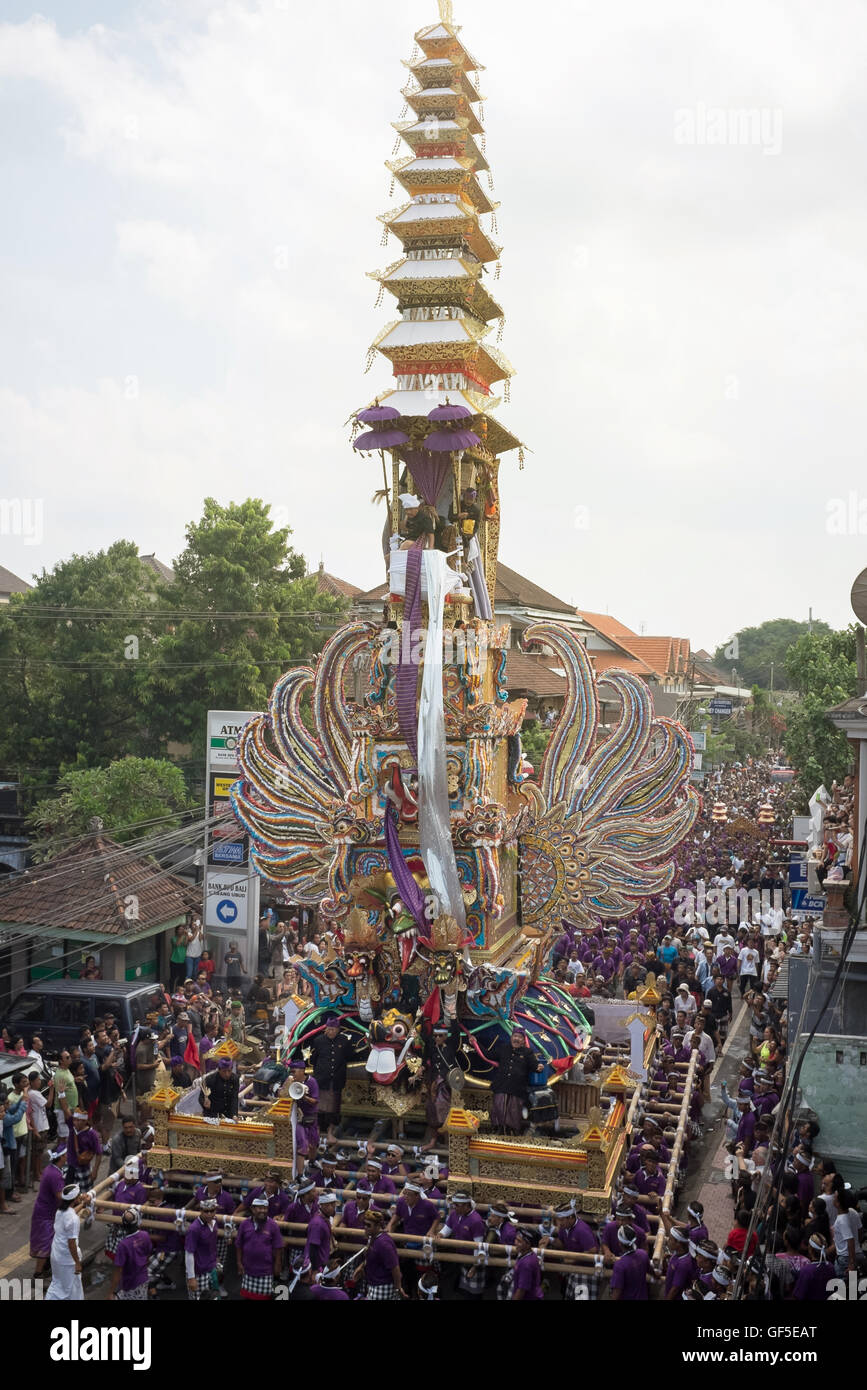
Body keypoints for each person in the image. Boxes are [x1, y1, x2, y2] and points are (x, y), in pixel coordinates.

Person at [309, 1014, 353, 1142]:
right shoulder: (319, 1041)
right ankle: (316, 1131)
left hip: (336, 1080)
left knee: (334, 1109)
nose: (330, 1031)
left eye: (333, 1029)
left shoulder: (344, 1041)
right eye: (328, 1029)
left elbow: (350, 1056)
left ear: (338, 1030)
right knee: (319, 1108)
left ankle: (330, 1133)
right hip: (321, 1079)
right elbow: (314, 1059)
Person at [490, 1028, 539, 1134]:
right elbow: (489, 1055)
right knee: (498, 1106)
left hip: (517, 1088)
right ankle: (498, 1130)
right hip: (501, 1085)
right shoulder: (503, 1048)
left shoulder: (527, 1052)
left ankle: (511, 1132)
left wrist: (539, 1068)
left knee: (514, 1111)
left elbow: (534, 1066)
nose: (516, 1039)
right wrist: (475, 1044)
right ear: (511, 1037)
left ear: (523, 1040)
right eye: (515, 1036)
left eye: (519, 1037)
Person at [236, 1195, 284, 1300]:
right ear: (253, 1209)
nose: (263, 1211)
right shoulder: (244, 1224)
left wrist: (277, 1264)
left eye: (265, 1208)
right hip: (248, 1270)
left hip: (265, 1271)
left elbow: (278, 1247)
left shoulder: (273, 1225)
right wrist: (239, 1263)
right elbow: (239, 1245)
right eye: (260, 1208)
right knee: (247, 1297)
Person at [30, 1144, 66, 1276]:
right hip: (46, 1213)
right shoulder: (55, 1175)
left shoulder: (51, 1169)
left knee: (49, 1241)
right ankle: (38, 1274)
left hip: (44, 1210)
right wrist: (74, 1201)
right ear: (62, 1156)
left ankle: (46, 1267)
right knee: (45, 1243)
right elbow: (59, 1196)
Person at [45, 1184, 85, 1301]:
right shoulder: (73, 1219)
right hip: (67, 1260)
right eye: (79, 1196)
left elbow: (71, 1212)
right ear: (75, 1199)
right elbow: (71, 1243)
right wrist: (77, 1262)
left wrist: (83, 1205)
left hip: (56, 1255)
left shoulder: (60, 1211)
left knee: (60, 1284)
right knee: (64, 1290)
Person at [109, 1208, 153, 1301]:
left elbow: (118, 1271)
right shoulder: (145, 1235)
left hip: (130, 1283)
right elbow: (148, 1254)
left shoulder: (123, 1245)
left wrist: (111, 1292)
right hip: (143, 1278)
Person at [186, 1198, 219, 1300]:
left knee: (213, 1296)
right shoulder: (194, 1229)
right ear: (201, 1210)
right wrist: (191, 1277)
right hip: (198, 1272)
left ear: (215, 1210)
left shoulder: (214, 1222)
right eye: (206, 1211)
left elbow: (212, 1244)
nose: (209, 1214)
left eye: (212, 1211)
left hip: (211, 1267)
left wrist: (216, 1259)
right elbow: (189, 1253)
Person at [609, 1223, 650, 1300]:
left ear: (620, 1243)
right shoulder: (643, 1254)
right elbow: (652, 1271)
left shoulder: (620, 1265)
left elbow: (617, 1292)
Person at [510, 1226, 544, 1301]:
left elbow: (521, 1290)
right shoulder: (528, 1255)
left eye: (519, 1241)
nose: (515, 1242)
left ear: (528, 1244)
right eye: (516, 1239)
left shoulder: (526, 1264)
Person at [169, 925, 188, 992]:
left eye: (182, 929)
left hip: (182, 961)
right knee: (173, 977)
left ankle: (179, 990)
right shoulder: (173, 938)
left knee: (182, 977)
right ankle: (171, 991)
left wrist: (186, 935)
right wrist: (182, 935)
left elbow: (185, 944)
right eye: (180, 929)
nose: (181, 931)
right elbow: (177, 944)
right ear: (176, 931)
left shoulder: (184, 937)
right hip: (174, 960)